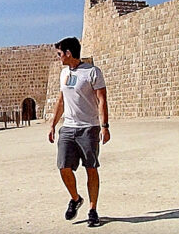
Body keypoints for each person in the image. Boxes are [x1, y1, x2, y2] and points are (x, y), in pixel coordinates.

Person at [48, 37, 110, 227]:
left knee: (91, 168)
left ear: (68, 53)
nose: (58, 58)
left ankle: (93, 210)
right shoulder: (63, 74)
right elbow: (61, 101)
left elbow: (102, 100)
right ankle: (75, 199)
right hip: (68, 128)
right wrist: (52, 124)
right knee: (63, 167)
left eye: (60, 54)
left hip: (88, 128)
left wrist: (104, 126)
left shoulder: (92, 72)